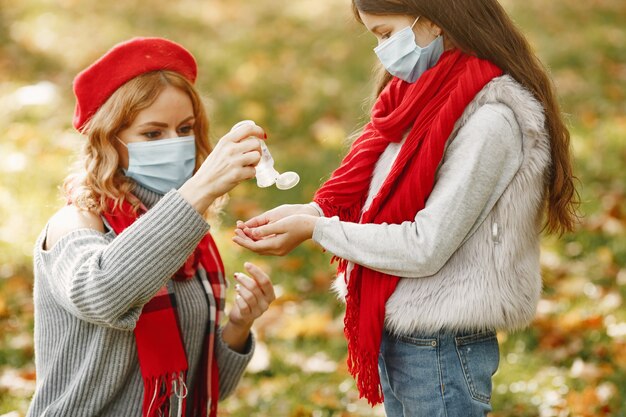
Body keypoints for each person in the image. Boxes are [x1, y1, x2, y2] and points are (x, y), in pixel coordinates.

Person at [233, 0, 578, 416]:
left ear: (432, 20)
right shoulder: (417, 99)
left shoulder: (491, 120)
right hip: (400, 329)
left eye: (384, 34)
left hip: (441, 344)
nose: (381, 50)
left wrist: (317, 230)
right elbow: (375, 198)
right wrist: (314, 213)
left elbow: (425, 245)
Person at [28, 37, 276, 417]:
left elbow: (202, 391)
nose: (175, 144)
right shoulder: (76, 222)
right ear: (110, 139)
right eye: (152, 133)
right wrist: (201, 188)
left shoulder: (188, 239)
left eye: (185, 128)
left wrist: (238, 326)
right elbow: (105, 295)